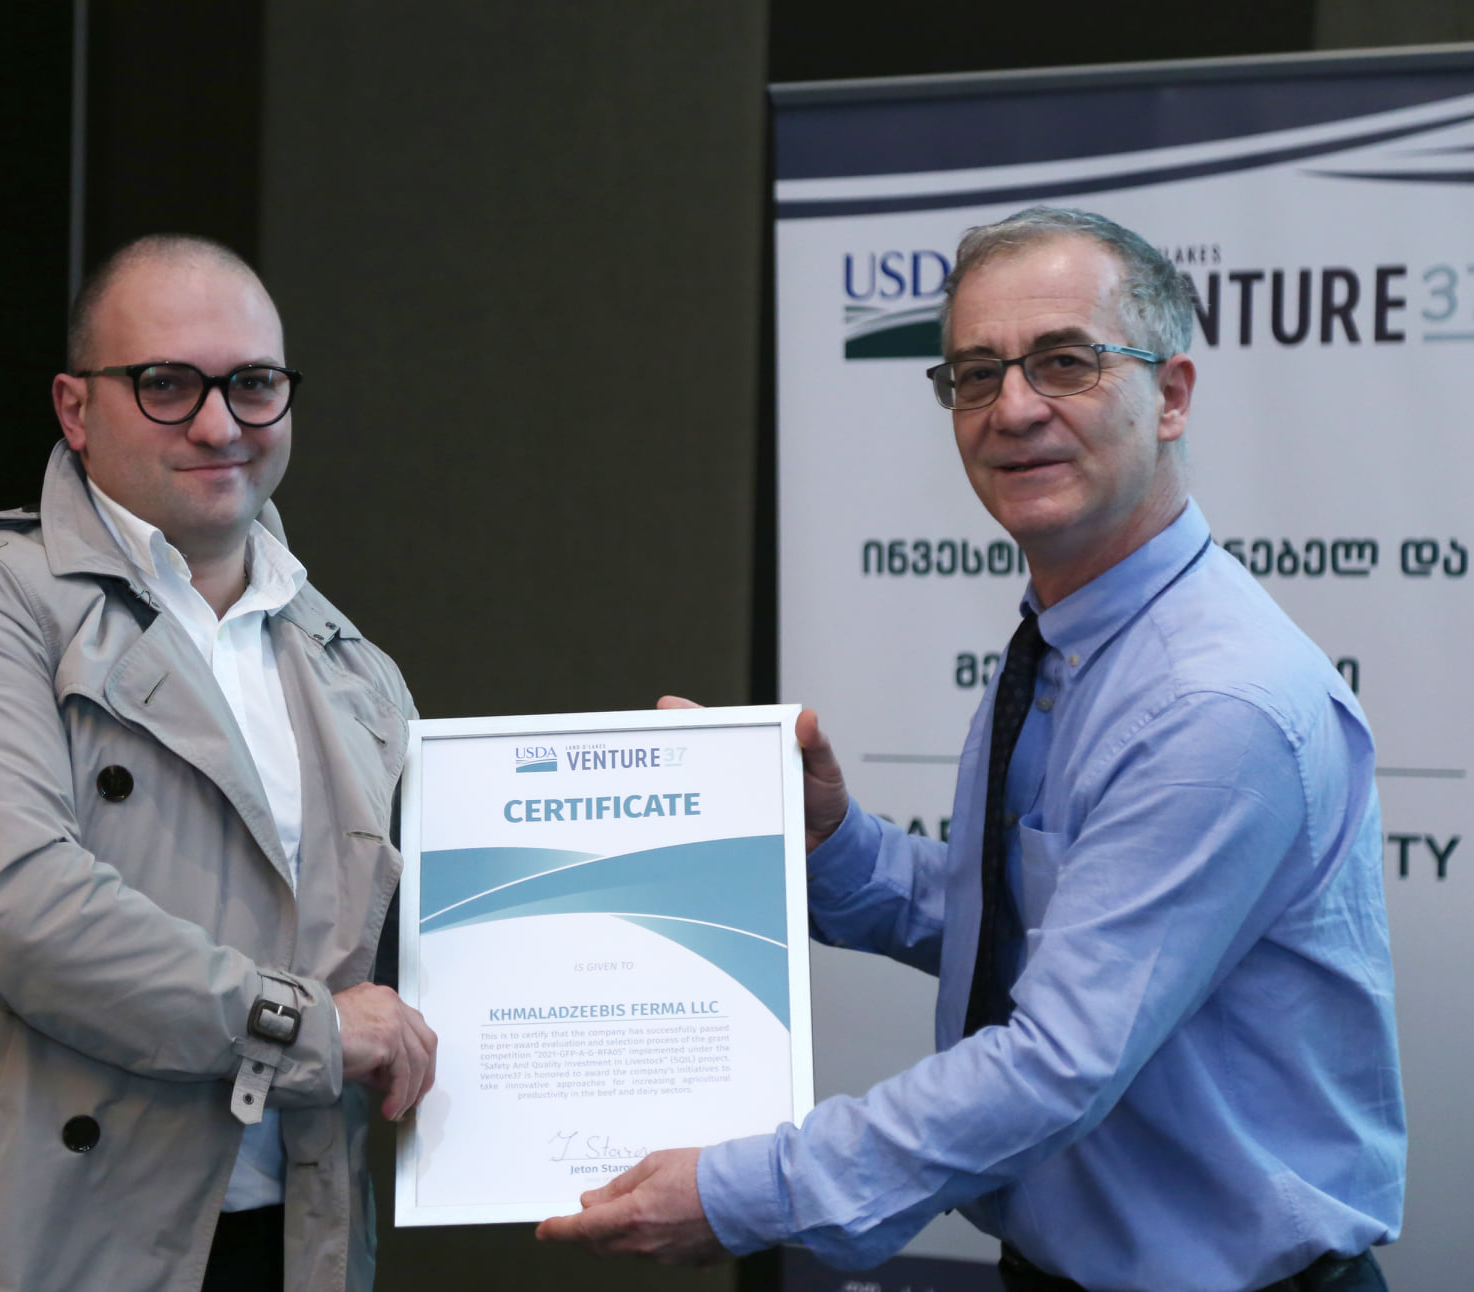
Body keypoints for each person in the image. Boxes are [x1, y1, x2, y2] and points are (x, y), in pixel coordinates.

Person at [536, 207, 1404, 1292]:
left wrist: (742, 1190)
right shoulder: (1071, 637)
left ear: (1171, 394)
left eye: (1065, 362)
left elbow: (1052, 1063)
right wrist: (831, 847)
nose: (1014, 408)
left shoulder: (1209, 701)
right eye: (976, 373)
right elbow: (1033, 926)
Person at [0, 234, 435, 1292]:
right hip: (15, 1239)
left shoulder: (355, 671)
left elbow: (427, 966)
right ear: (75, 409)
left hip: (278, 1241)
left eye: (253, 384)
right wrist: (302, 1025)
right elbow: (12, 906)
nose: (219, 424)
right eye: (166, 385)